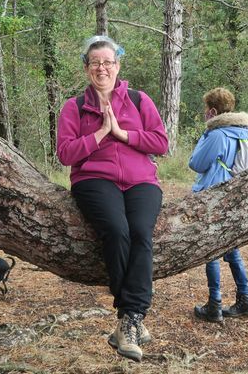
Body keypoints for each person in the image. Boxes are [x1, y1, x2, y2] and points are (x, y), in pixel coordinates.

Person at [56, 35, 169, 362]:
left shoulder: (138, 100)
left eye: (108, 62)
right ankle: (132, 317)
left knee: (140, 232)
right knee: (117, 231)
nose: (102, 68)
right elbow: (65, 153)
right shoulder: (74, 107)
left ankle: (128, 320)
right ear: (87, 69)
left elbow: (160, 143)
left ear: (118, 66)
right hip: (94, 179)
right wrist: (100, 134)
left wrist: (122, 134)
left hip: (141, 181)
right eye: (95, 63)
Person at [189, 87, 248, 324]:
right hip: (233, 197)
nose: (205, 113)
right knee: (231, 248)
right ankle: (245, 297)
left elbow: (196, 163)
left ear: (213, 111)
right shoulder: (241, 133)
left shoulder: (217, 134)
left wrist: (205, 135)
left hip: (214, 195)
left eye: (207, 109)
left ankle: (214, 304)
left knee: (212, 251)